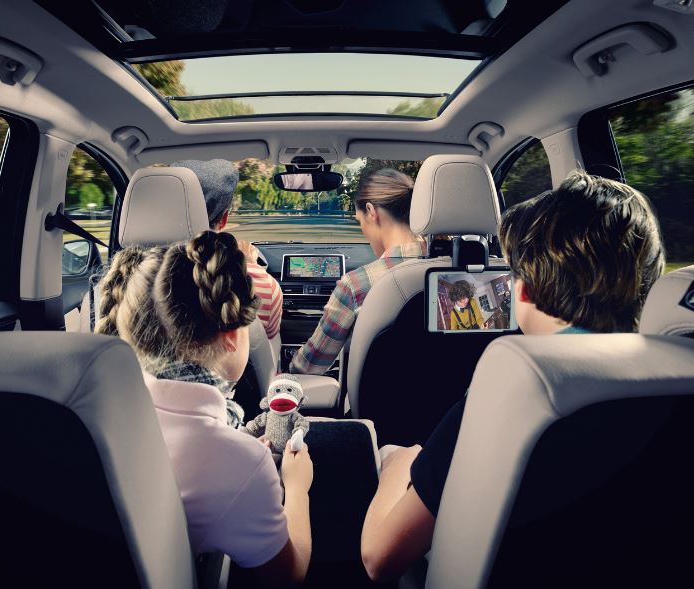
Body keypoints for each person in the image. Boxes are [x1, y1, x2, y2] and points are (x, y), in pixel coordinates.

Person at [360, 171, 666, 582]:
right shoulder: (673, 378)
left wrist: (398, 464)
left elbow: (379, 557)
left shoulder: (507, 391)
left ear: (522, 291)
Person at [94, 231, 313, 586]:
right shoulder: (240, 463)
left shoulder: (93, 410)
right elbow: (289, 574)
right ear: (232, 336)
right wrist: (297, 485)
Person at [290, 168, 426, 374]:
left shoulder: (356, 285)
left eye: (359, 221)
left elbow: (308, 368)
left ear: (371, 212)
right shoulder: (458, 274)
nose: (362, 230)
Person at [173, 159, 283, 340]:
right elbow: (270, 333)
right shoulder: (263, 285)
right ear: (224, 219)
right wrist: (250, 266)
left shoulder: (136, 275)